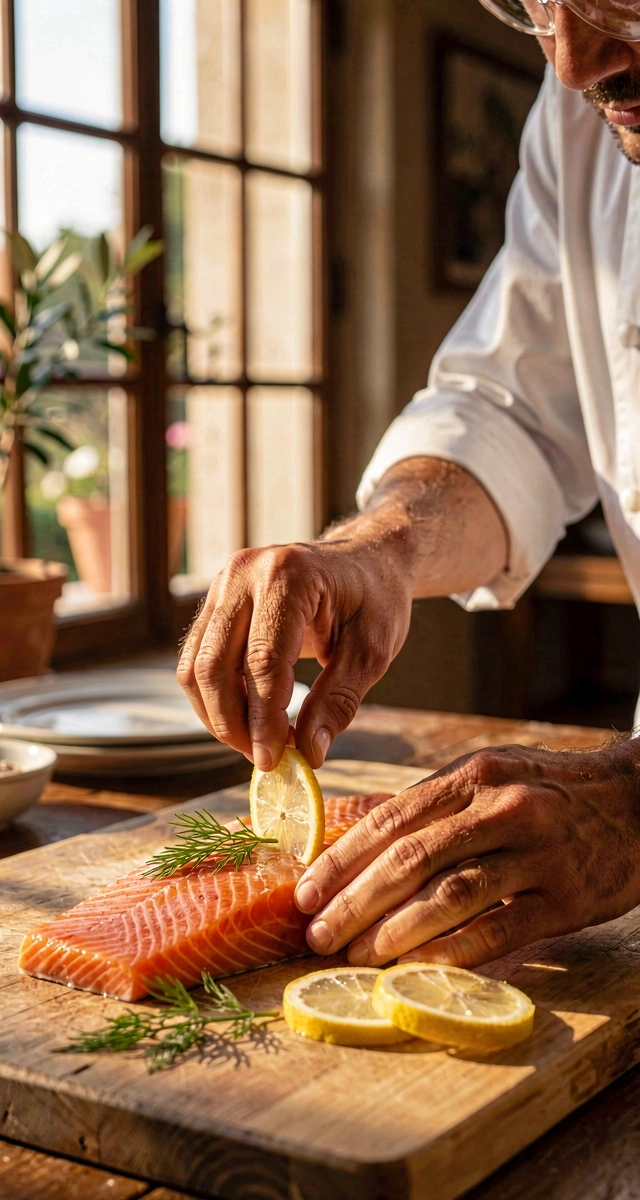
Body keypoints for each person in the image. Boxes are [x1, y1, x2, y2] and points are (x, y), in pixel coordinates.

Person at [178, 0, 640, 971]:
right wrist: (381, 547)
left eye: (620, 4)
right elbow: (514, 410)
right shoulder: (579, 121)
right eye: (537, 4)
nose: (570, 62)